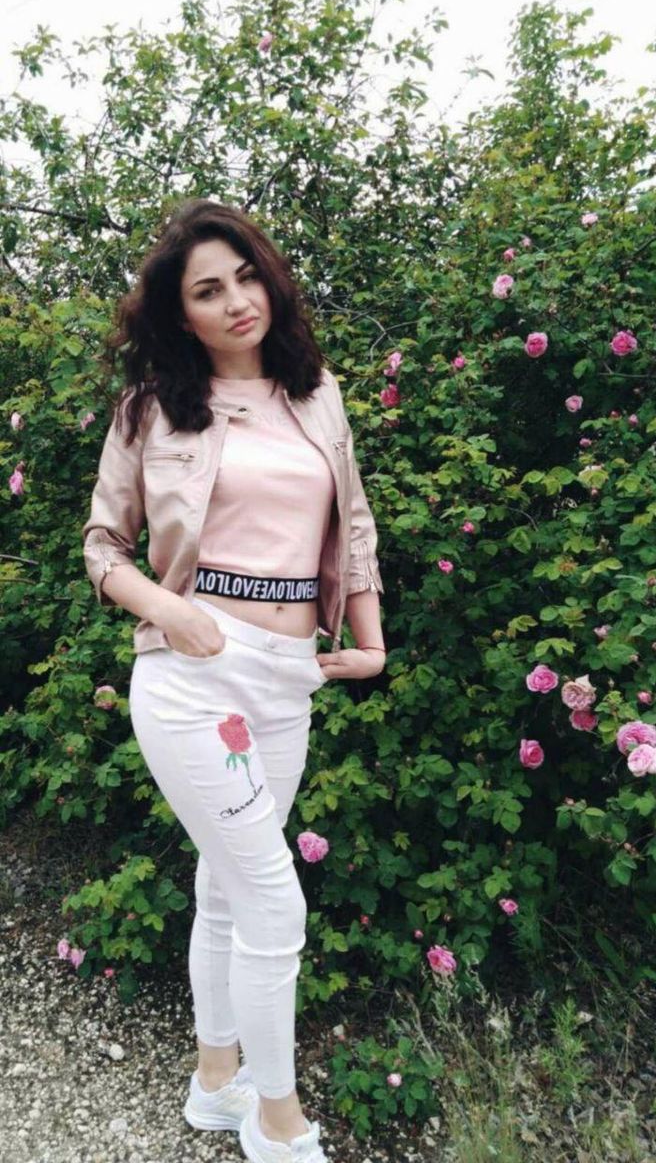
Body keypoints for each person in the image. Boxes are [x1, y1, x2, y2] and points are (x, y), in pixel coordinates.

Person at [81, 198, 386, 1163]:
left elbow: (354, 521)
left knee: (226, 885)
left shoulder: (316, 394)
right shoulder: (151, 410)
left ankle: (217, 1082)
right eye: (208, 291)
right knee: (273, 898)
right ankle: (276, 1116)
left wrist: (370, 640)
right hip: (193, 676)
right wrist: (168, 613)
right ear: (181, 314)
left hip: (288, 676)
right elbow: (103, 547)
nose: (236, 300)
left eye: (247, 276)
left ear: (270, 281)